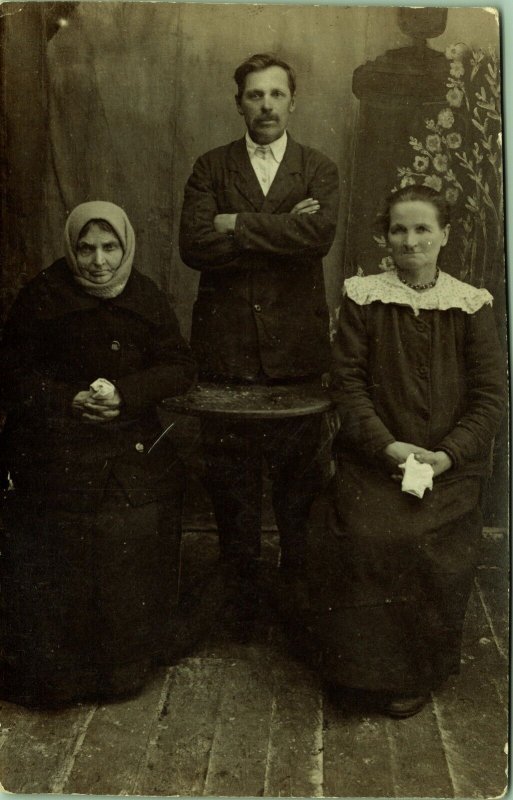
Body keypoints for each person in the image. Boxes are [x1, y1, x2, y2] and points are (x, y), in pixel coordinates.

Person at [297, 185, 506, 718]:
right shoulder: (365, 298)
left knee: (421, 536)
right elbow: (347, 385)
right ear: (384, 236)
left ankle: (414, 672)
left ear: (445, 235)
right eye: (399, 229)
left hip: (448, 470)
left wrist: (448, 455)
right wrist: (387, 446)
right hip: (375, 462)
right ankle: (355, 670)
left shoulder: (470, 304)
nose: (410, 240)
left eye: (421, 229)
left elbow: (490, 396)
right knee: (365, 531)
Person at [0, 201, 196, 707]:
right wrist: (67, 399)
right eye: (86, 248)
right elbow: (11, 373)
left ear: (126, 246)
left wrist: (125, 395)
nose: (98, 261)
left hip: (127, 439)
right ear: (71, 249)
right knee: (60, 530)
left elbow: (177, 366)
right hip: (53, 444)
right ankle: (57, 674)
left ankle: (121, 667)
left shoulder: (145, 296)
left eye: (110, 247)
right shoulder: (42, 295)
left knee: (125, 529)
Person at [179, 54, 339, 616]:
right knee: (233, 488)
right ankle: (241, 598)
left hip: (296, 355)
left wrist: (236, 223)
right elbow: (195, 247)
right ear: (239, 101)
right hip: (227, 355)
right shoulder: (210, 167)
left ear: (293, 100)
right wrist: (283, 226)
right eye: (254, 95)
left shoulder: (317, 167)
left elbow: (316, 239)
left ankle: (298, 599)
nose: (266, 105)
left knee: (299, 490)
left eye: (276, 94)